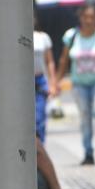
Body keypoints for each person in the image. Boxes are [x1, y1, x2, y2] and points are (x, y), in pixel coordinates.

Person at [57, 4, 95, 165]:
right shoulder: (71, 36)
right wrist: (56, 81)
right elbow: (64, 60)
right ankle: (88, 152)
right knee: (85, 117)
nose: (88, 20)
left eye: (92, 17)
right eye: (85, 17)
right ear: (80, 18)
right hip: (79, 83)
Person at [32, 11, 58, 142]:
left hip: (39, 79)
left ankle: (40, 152)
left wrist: (53, 83)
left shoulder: (42, 37)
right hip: (22, 82)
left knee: (39, 118)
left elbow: (50, 61)